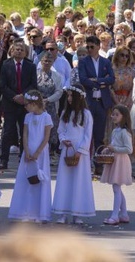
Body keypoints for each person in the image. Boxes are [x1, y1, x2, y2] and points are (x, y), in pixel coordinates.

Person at [52, 85, 95, 224]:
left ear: (79, 97)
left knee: (79, 182)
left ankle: (77, 214)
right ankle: (63, 213)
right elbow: (61, 130)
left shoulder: (86, 115)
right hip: (68, 150)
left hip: (80, 153)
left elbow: (88, 135)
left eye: (72, 96)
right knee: (65, 181)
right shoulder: (65, 112)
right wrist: (64, 140)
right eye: (68, 95)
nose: (69, 98)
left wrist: (81, 151)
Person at [8, 90, 53, 223]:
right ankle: (26, 211)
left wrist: (38, 153)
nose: (25, 107)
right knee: (27, 180)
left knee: (40, 181)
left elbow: (46, 137)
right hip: (28, 152)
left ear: (34, 104)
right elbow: (25, 134)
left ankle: (40, 213)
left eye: (27, 104)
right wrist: (26, 151)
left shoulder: (46, 117)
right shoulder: (28, 117)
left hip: (41, 153)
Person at [0, 40, 38, 170]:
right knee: (7, 131)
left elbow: (33, 84)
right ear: (12, 51)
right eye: (17, 49)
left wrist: (23, 96)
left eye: (22, 50)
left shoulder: (31, 66)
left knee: (24, 131)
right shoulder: (6, 64)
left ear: (26, 52)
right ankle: (4, 159)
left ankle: (23, 157)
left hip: (25, 104)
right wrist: (14, 97)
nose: (19, 51)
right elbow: (2, 85)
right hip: (10, 103)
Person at [78, 36, 115, 175]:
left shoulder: (105, 61)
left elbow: (111, 79)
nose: (89, 49)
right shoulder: (83, 62)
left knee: (99, 134)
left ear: (98, 46)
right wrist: (101, 82)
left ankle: (98, 163)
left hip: (101, 102)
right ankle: (84, 163)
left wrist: (97, 80)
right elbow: (83, 80)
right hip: (89, 102)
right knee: (86, 133)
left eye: (91, 47)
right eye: (87, 47)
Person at [100, 105, 133, 226]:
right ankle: (123, 214)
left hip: (121, 162)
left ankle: (115, 215)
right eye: (113, 114)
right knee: (117, 187)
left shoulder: (125, 132)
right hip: (114, 160)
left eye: (116, 114)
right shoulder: (115, 131)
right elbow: (114, 144)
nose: (113, 116)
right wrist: (108, 149)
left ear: (123, 117)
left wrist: (114, 148)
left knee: (116, 187)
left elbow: (129, 149)